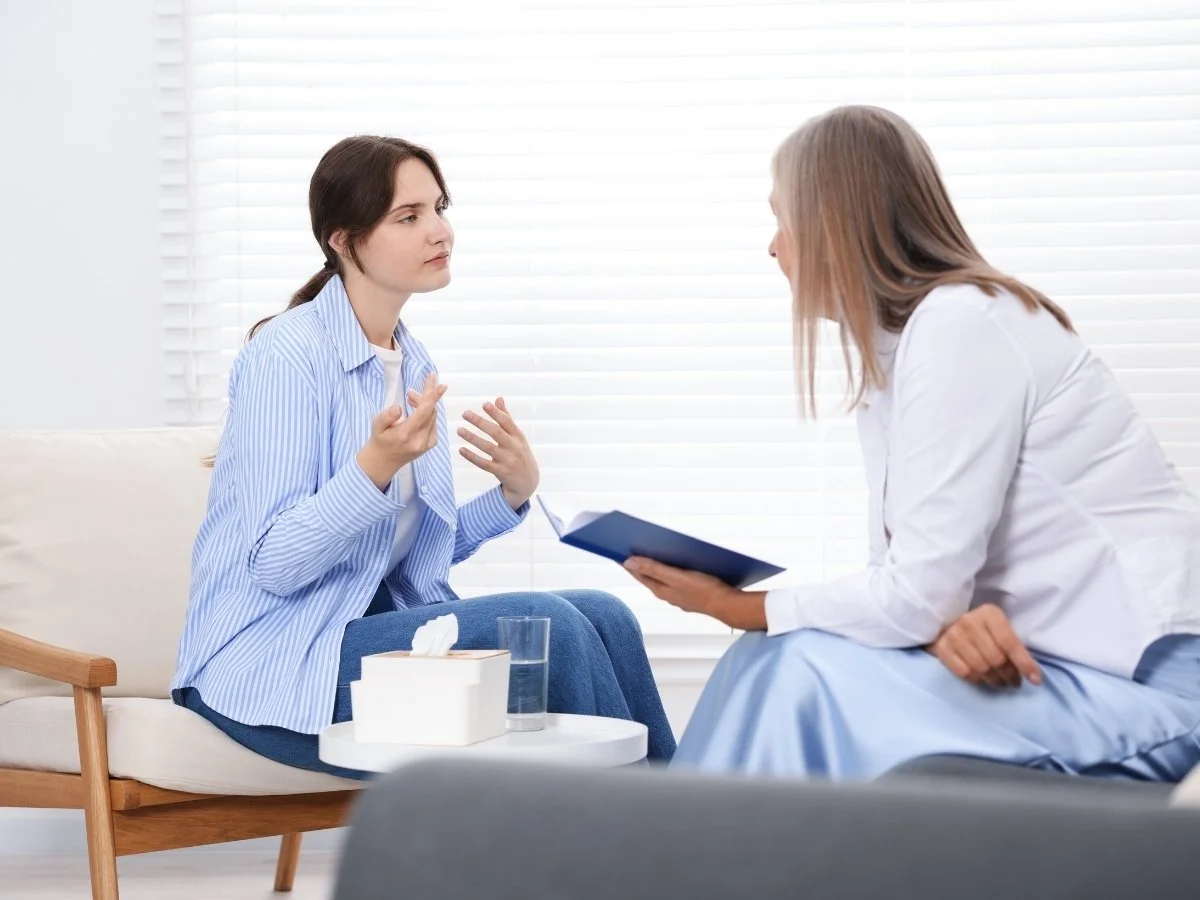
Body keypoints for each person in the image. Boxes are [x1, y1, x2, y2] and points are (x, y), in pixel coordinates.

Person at [623, 105, 1200, 781]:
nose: (774, 247)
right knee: (768, 656)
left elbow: (915, 595)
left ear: (834, 222)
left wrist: (730, 606)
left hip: (1150, 695)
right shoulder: (896, 362)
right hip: (1056, 666)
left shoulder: (964, 323)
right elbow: (912, 589)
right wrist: (937, 620)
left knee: (798, 666)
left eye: (782, 218)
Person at [171, 135, 675, 776]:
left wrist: (510, 497)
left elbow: (400, 552)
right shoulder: (285, 359)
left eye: (440, 207)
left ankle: (684, 828)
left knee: (605, 615)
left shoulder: (412, 360)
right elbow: (273, 565)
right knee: (551, 621)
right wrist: (372, 470)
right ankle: (650, 854)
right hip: (277, 661)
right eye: (409, 217)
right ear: (343, 240)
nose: (440, 231)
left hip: (367, 633)